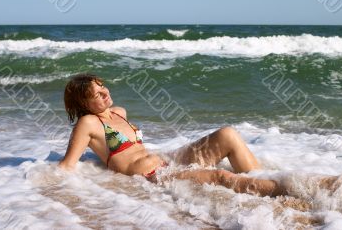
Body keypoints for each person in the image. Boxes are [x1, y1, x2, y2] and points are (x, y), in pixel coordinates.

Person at [58, 73, 288, 197]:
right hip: (151, 177)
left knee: (227, 134)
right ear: (83, 103)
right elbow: (67, 166)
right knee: (220, 176)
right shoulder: (87, 123)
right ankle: (283, 192)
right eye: (95, 94)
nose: (104, 93)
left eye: (102, 87)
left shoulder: (120, 112)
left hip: (168, 162)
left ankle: (268, 179)